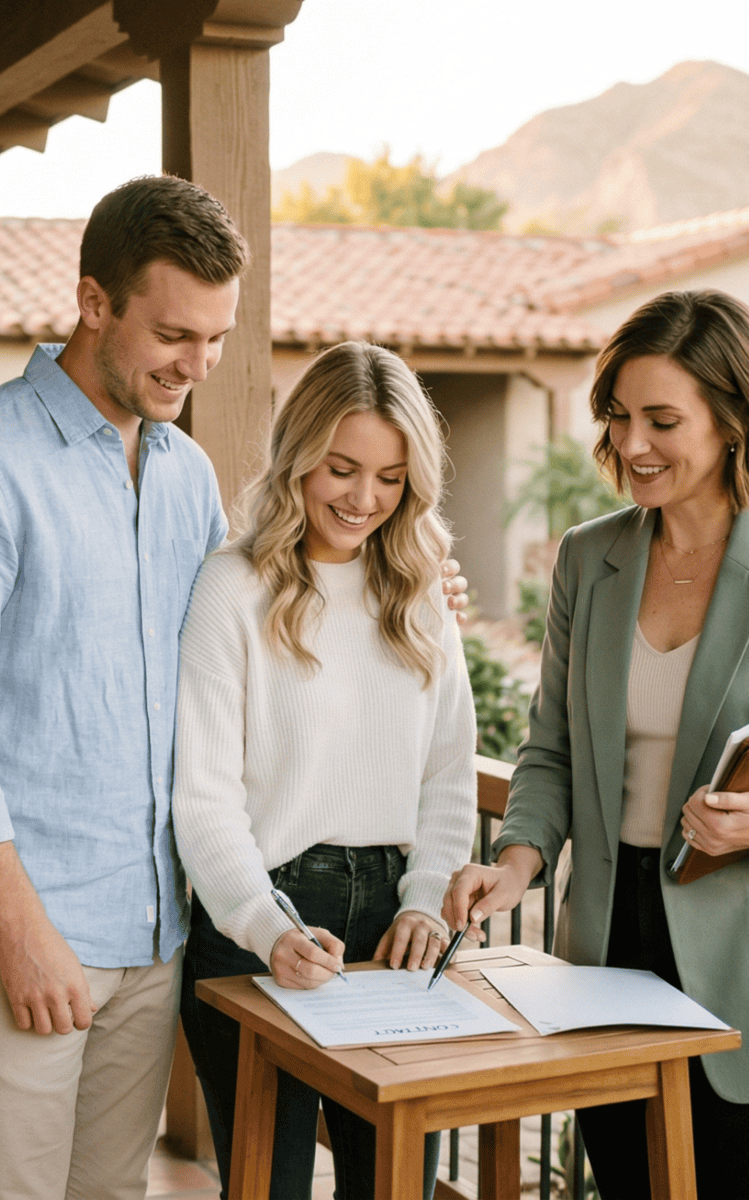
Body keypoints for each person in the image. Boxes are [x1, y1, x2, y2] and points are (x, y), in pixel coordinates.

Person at [442, 290, 749, 1200]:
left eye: (662, 419)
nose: (631, 444)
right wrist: (519, 858)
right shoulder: (588, 557)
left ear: (734, 419)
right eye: (618, 417)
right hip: (609, 952)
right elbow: (551, 750)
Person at [0, 174, 249, 1200]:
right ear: (95, 304)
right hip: (17, 928)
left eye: (215, 339)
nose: (198, 364)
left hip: (148, 932)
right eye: (176, 334)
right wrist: (21, 928)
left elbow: (236, 654)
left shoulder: (184, 475)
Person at [174, 341, 477, 1200]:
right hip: (257, 917)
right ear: (299, 454)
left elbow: (450, 773)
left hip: (394, 928)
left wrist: (425, 898)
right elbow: (203, 796)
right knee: (270, 1187)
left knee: (395, 1186)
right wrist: (266, 926)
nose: (365, 499)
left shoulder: (419, 596)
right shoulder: (230, 589)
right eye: (342, 469)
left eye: (390, 478)